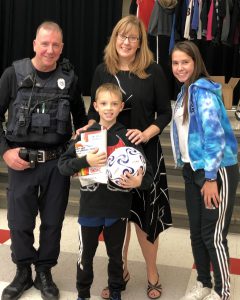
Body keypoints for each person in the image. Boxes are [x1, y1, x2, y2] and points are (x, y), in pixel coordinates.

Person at [87, 15, 172, 299]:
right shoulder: (102, 70)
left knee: (146, 219)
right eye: (122, 36)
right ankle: (119, 271)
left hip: (145, 154)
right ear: (115, 38)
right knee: (115, 218)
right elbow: (92, 112)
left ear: (140, 42)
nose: (126, 41)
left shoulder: (153, 71)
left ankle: (152, 273)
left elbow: (165, 112)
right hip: (110, 155)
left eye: (133, 37)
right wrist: (85, 131)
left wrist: (147, 133)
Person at [0, 21, 87, 300]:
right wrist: (5, 152)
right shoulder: (12, 75)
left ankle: (45, 271)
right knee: (20, 222)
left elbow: (83, 123)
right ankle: (23, 271)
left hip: (56, 164)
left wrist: (77, 159)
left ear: (61, 48)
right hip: (21, 162)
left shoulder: (70, 79)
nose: (50, 50)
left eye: (56, 45)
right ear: (35, 44)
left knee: (53, 222)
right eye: (45, 43)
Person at [58, 83, 153, 300]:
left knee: (116, 257)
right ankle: (83, 294)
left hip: (118, 208)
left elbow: (147, 178)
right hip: (90, 208)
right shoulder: (85, 135)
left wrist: (138, 182)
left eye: (114, 103)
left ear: (121, 107)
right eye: (103, 103)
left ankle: (116, 291)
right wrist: (85, 160)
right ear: (96, 107)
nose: (108, 108)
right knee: (85, 255)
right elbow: (62, 166)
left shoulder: (128, 137)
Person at [170, 41, 239, 300]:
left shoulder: (204, 92)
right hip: (193, 169)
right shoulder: (184, 91)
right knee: (197, 232)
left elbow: (215, 137)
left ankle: (223, 291)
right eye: (175, 63)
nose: (179, 68)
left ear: (196, 62)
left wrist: (210, 178)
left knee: (213, 235)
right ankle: (204, 283)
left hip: (216, 170)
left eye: (185, 62)